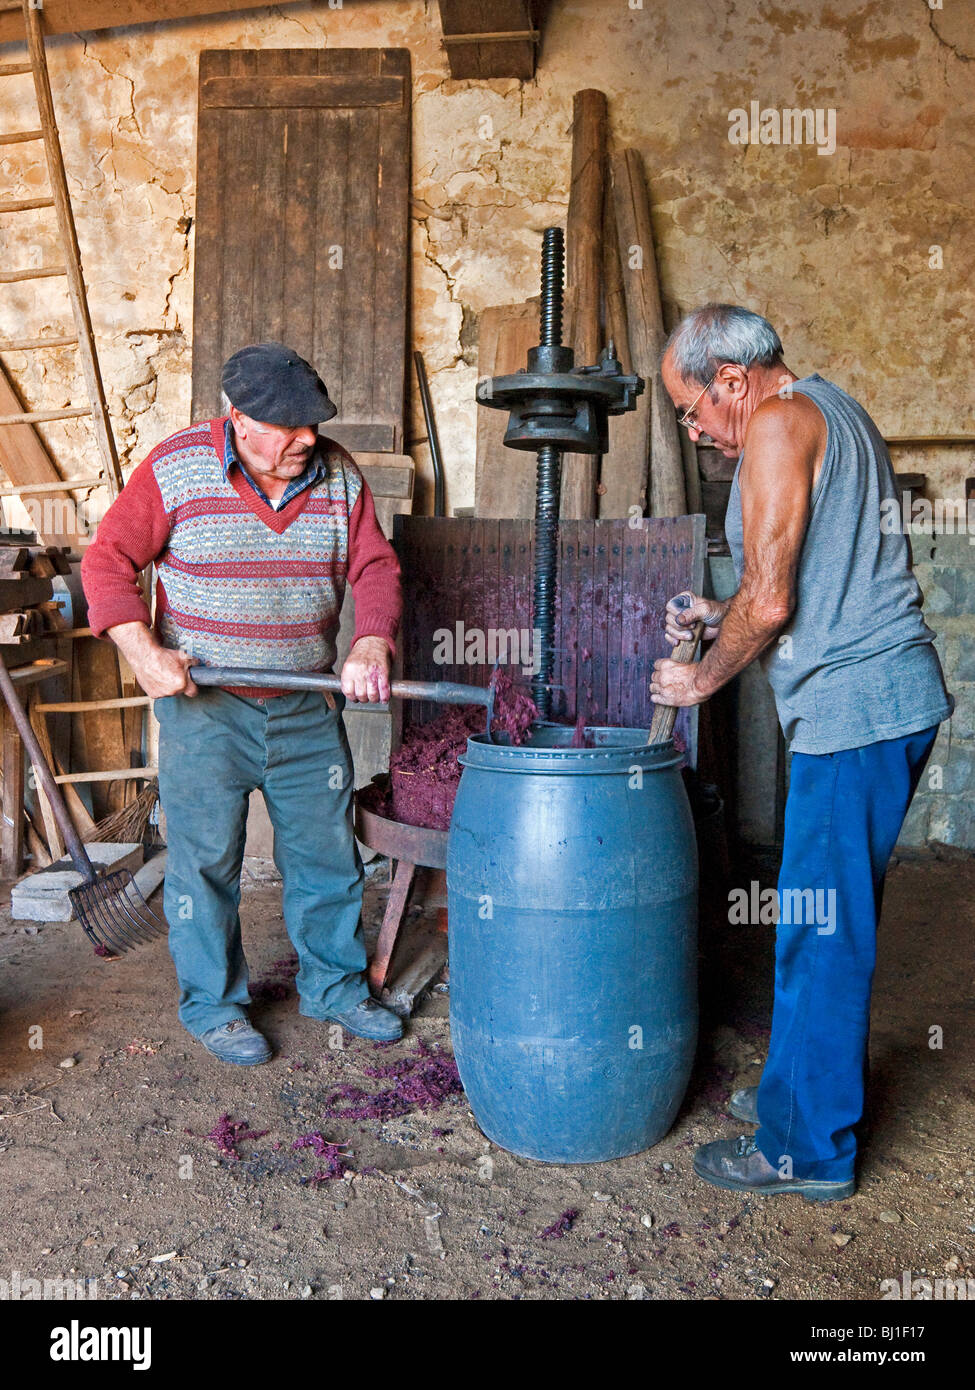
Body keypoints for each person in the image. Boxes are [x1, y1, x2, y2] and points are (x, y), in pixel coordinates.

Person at [652, 304, 953, 1201]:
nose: (693, 426)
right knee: (809, 920)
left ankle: (805, 1150)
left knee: (820, 933)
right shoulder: (831, 407)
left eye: (691, 407)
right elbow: (808, 577)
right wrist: (717, 612)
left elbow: (774, 600)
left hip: (857, 710)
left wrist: (703, 676)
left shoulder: (778, 425)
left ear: (733, 382)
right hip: (873, 702)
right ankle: (796, 1096)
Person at [81, 342, 405, 1065]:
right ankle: (214, 1005)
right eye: (287, 427)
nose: (307, 440)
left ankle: (336, 987)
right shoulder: (176, 467)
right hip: (206, 708)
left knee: (326, 857)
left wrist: (372, 642)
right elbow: (107, 560)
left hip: (305, 707)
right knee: (204, 864)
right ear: (237, 418)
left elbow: (375, 565)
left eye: (314, 424)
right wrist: (143, 653)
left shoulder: (340, 477)